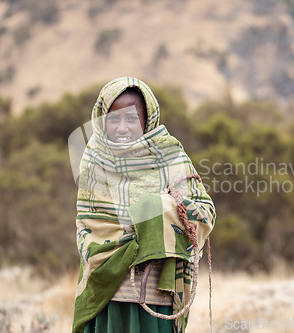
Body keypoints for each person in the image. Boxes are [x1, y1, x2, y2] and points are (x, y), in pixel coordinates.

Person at [72, 77, 216, 333]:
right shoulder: (94, 159)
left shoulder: (171, 155)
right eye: (114, 119)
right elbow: (90, 223)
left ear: (148, 118)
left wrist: (160, 207)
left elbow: (204, 213)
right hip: (108, 291)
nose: (123, 127)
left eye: (132, 118)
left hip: (157, 294)